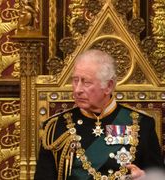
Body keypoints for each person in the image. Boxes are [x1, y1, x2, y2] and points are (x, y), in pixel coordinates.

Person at [34, 49, 164, 180]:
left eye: (86, 82)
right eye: (75, 80)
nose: (77, 89)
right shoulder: (57, 127)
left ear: (108, 86)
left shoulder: (141, 124)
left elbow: (157, 176)